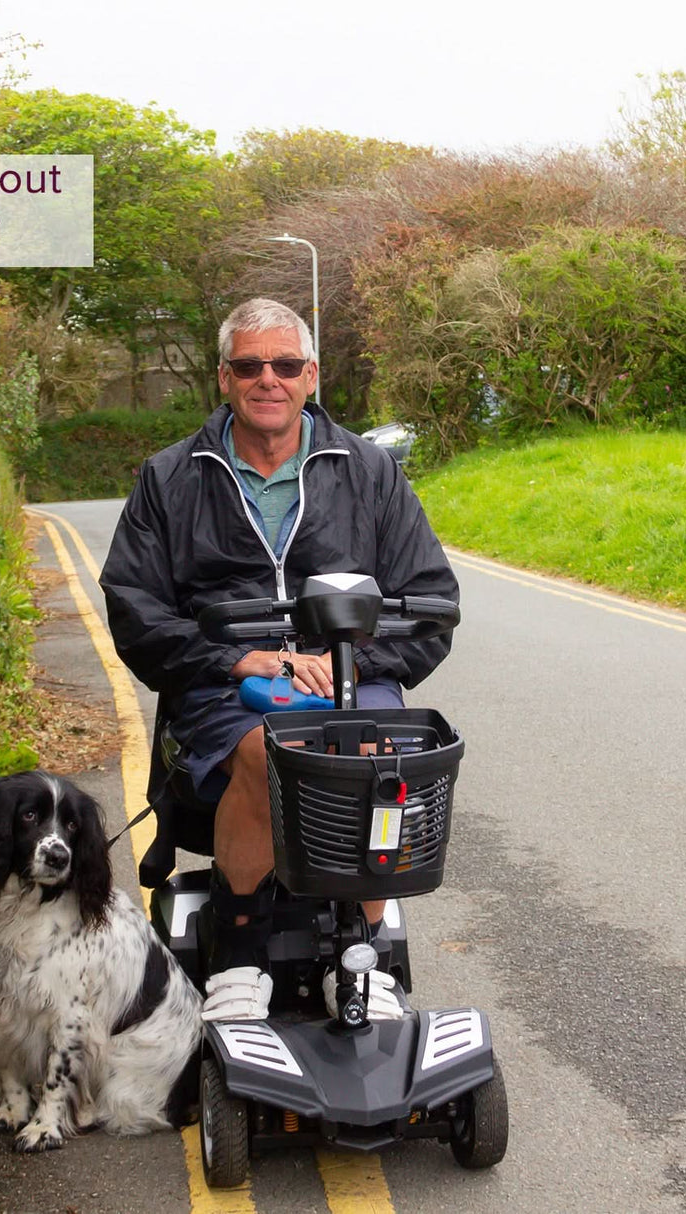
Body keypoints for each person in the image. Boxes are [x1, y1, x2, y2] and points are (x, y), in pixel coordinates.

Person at [100, 298, 458, 1020]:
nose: (270, 379)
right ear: (224, 378)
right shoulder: (170, 478)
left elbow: (432, 601)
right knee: (275, 753)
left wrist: (349, 658)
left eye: (286, 365)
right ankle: (240, 956)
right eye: (250, 365)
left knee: (378, 754)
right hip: (222, 688)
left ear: (311, 376)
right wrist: (238, 661)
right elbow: (135, 609)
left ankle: (365, 954)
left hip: (352, 682)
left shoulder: (370, 473)